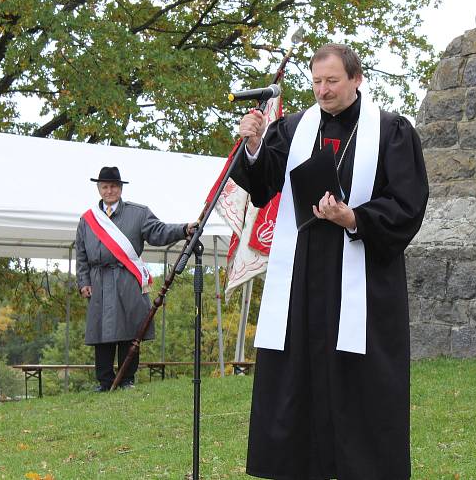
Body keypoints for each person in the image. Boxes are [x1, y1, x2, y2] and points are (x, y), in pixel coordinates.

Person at [233, 44, 429, 479]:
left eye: (332, 81)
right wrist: (252, 146)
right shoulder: (294, 127)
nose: (323, 91)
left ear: (357, 79)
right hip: (301, 277)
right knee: (298, 374)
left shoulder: (392, 131)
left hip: (362, 280)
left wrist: (354, 217)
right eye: (317, 82)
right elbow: (264, 184)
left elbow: (409, 203)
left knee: (360, 380)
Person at [75, 167, 196, 391]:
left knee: (130, 329)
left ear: (120, 189)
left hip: (127, 278)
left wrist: (182, 229)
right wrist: (83, 282)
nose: (109, 190)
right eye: (105, 186)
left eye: (113, 186)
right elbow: (81, 254)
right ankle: (104, 381)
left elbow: (159, 232)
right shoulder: (87, 220)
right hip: (99, 279)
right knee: (102, 332)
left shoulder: (138, 213)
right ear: (99, 189)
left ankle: (127, 379)